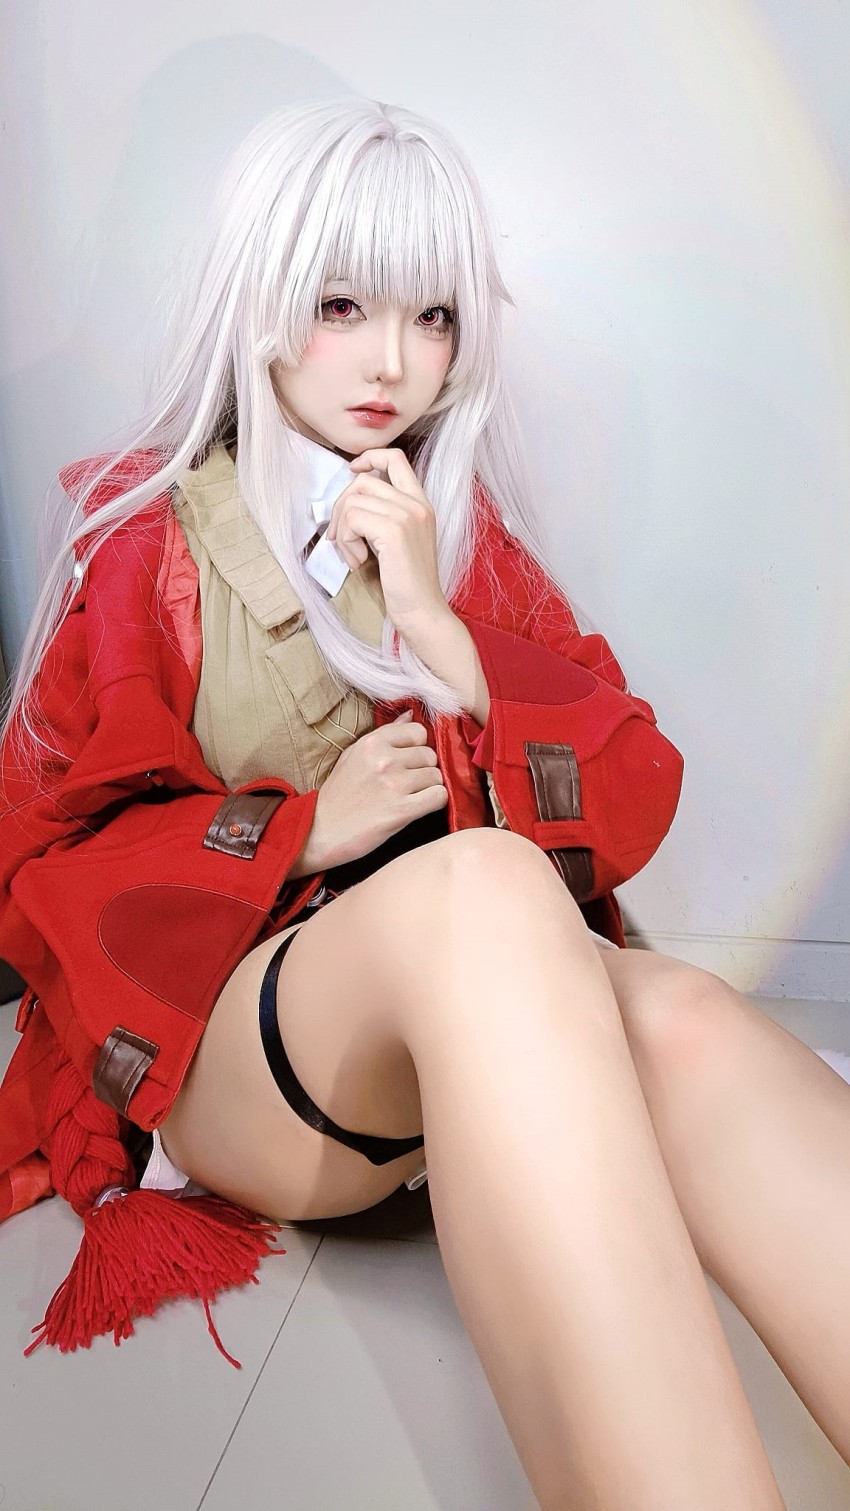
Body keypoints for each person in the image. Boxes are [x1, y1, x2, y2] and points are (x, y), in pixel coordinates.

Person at [1, 96, 847, 1509]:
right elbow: (38, 864)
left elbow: (630, 783)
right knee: (486, 889)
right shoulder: (145, 538)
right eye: (342, 305)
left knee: (688, 1021)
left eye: (433, 316)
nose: (393, 362)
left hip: (469, 1019)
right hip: (242, 1058)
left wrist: (441, 625)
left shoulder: (459, 535)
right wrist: (295, 833)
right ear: (261, 299)